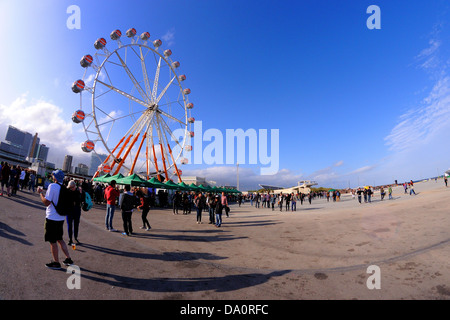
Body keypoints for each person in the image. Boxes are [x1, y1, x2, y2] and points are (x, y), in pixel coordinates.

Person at [38, 170, 73, 270]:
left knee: (52, 241)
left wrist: (40, 194)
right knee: (59, 239)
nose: (52, 177)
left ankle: (56, 262)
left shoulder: (52, 186)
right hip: (61, 217)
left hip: (52, 217)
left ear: (55, 177)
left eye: (53, 175)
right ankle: (68, 258)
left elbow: (46, 202)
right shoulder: (65, 188)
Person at [67, 180, 83, 245]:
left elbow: (81, 200)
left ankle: (75, 238)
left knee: (76, 225)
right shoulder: (67, 191)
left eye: (72, 187)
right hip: (69, 210)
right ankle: (70, 239)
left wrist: (81, 193)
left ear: (75, 186)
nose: (71, 188)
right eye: (70, 187)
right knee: (69, 225)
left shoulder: (78, 191)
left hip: (76, 210)